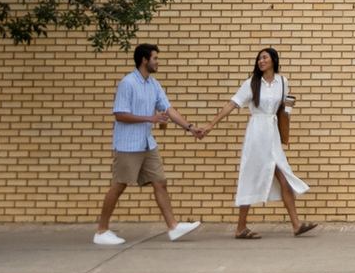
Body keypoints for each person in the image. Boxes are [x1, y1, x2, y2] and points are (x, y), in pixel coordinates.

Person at [195, 47, 316, 238]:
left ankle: (296, 224)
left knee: (283, 175)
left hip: (272, 133)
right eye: (259, 58)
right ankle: (241, 227)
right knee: (251, 176)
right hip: (257, 133)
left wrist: (288, 113)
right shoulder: (251, 83)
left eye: (265, 58)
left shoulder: (283, 81)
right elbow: (232, 104)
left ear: (273, 60)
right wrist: (211, 125)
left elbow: (285, 107)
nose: (261, 61)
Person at [93, 43, 203, 245]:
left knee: (160, 182)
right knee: (118, 186)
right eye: (155, 58)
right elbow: (120, 114)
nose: (158, 62)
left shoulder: (154, 84)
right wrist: (150, 119)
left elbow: (169, 110)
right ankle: (101, 231)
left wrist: (190, 127)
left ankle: (173, 227)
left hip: (146, 144)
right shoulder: (128, 83)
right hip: (128, 145)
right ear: (144, 60)